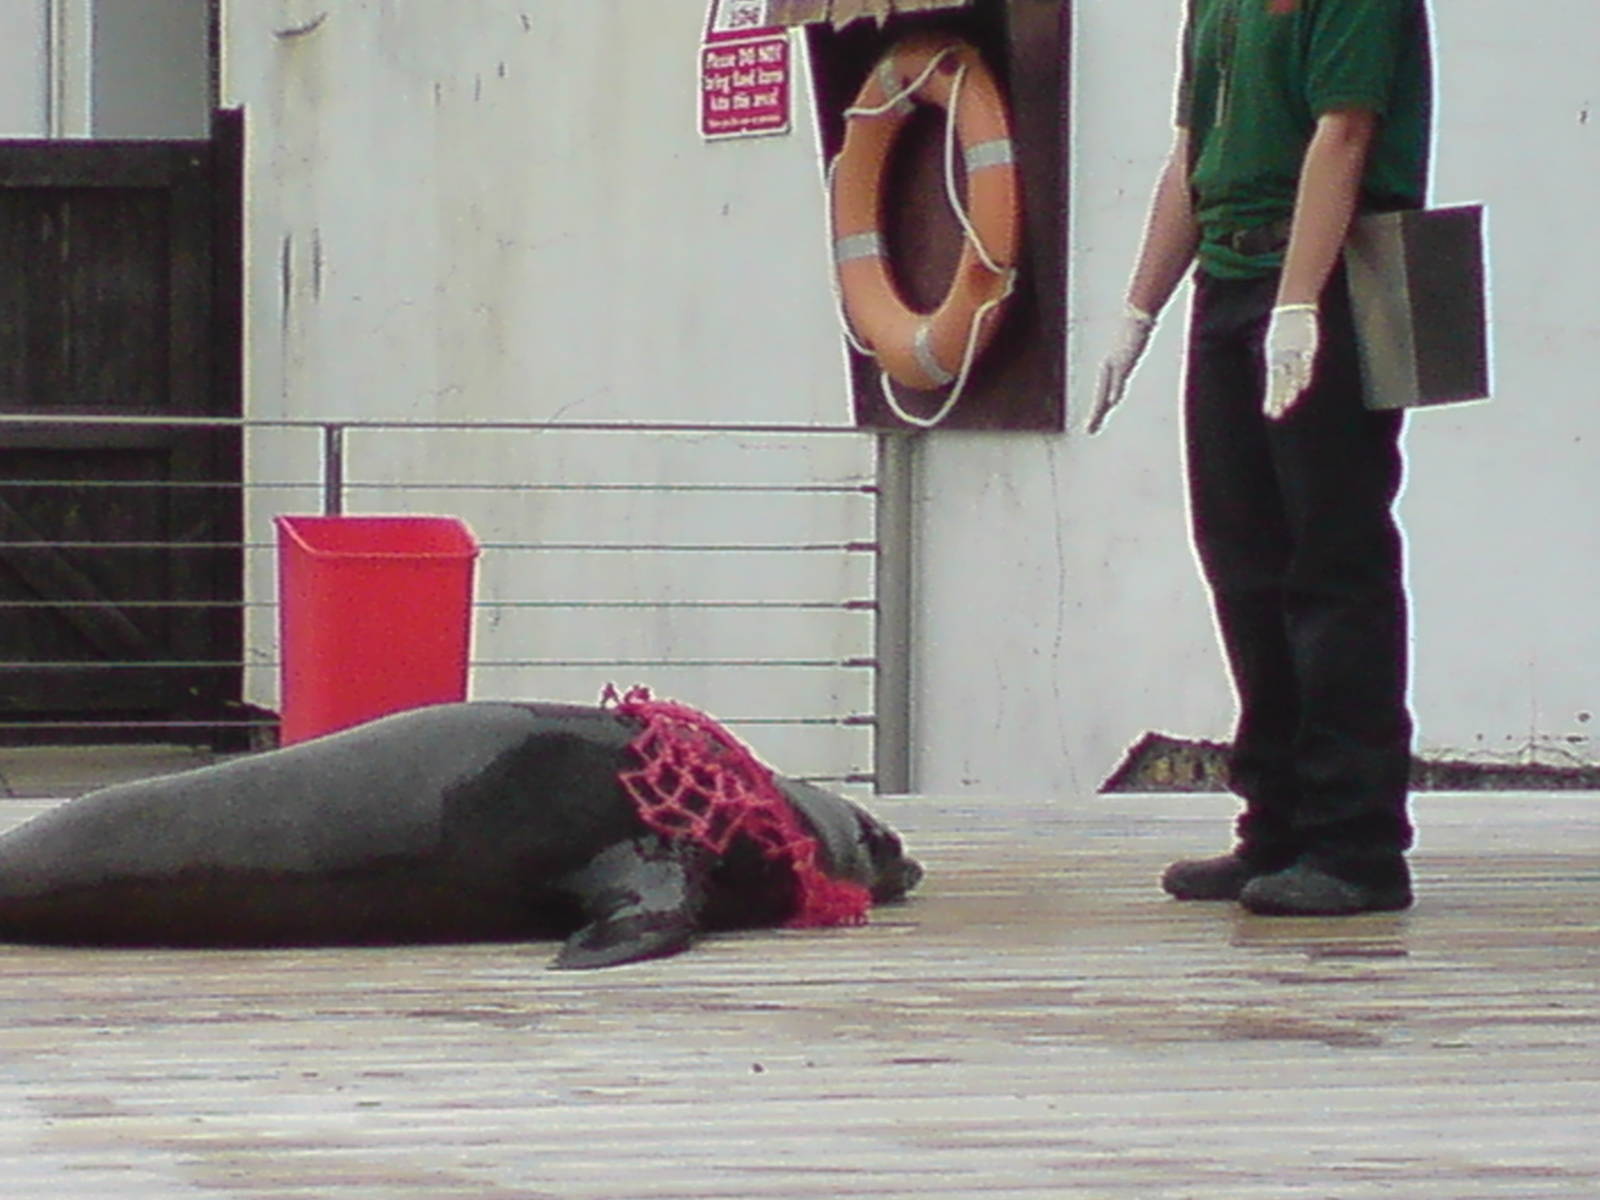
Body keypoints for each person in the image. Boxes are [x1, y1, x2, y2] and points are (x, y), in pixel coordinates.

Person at [1088, 0, 1434, 915]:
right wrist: (1137, 312)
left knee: (1332, 563)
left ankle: (1355, 846)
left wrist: (1299, 304)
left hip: (1336, 277)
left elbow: (1345, 133)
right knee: (1242, 561)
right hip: (1228, 281)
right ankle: (1274, 828)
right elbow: (1190, 156)